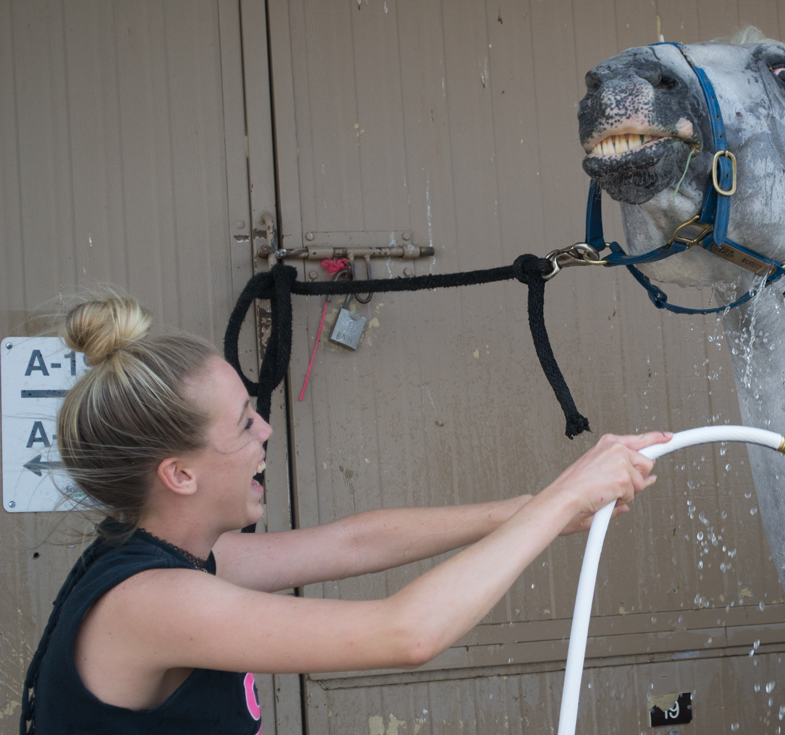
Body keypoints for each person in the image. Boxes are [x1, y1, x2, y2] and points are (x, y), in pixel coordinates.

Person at [20, 295, 669, 734]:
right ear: (179, 474)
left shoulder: (160, 559)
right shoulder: (154, 601)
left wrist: (540, 509)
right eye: (244, 424)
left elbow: (356, 542)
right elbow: (406, 633)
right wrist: (562, 500)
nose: (266, 432)